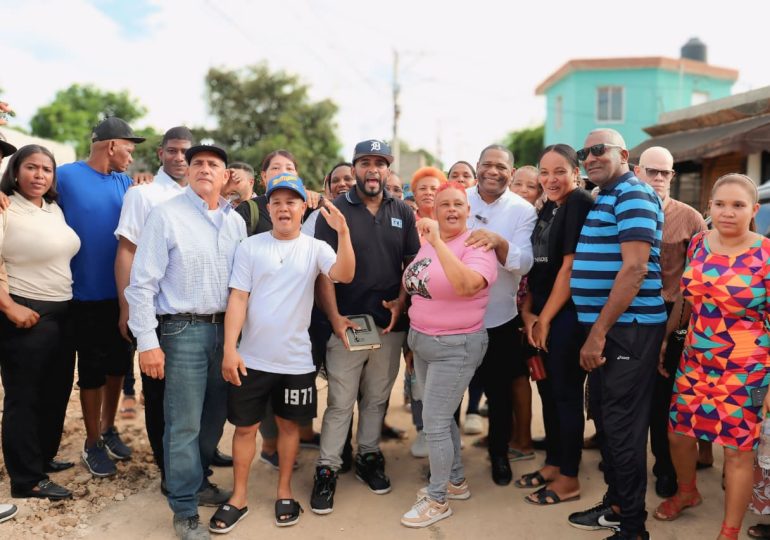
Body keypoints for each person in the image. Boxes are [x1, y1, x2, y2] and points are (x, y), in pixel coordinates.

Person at [210, 174, 354, 532]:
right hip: (252, 358)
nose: (284, 208)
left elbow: (344, 275)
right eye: (277, 202)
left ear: (303, 207)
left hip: (295, 361)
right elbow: (238, 298)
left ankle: (284, 491)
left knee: (291, 427)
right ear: (268, 207)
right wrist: (231, 349)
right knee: (245, 430)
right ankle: (238, 497)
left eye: (292, 201)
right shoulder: (251, 246)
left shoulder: (315, 247)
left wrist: (344, 232)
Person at [126, 144, 243, 539]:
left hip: (225, 331)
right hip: (181, 331)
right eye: (198, 164)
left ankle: (198, 481)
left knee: (214, 418)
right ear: (189, 172)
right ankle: (184, 509)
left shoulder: (235, 222)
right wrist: (147, 341)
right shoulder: (166, 215)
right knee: (183, 424)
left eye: (213, 164)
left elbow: (242, 287)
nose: (205, 169)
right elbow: (141, 284)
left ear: (226, 175)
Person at [653, 173, 770, 540]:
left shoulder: (766, 253)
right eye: (720, 204)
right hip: (696, 358)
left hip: (746, 365)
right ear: (709, 206)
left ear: (753, 210)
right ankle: (688, 491)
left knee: (736, 451)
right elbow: (688, 299)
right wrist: (670, 336)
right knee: (678, 435)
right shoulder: (700, 244)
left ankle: (729, 531)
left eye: (738, 205)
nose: (728, 212)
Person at [310, 139, 420, 514]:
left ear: (388, 169)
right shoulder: (334, 210)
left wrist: (401, 302)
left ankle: (369, 456)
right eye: (365, 162)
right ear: (354, 167)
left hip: (389, 325)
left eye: (380, 163)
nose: (373, 170)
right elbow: (323, 273)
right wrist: (334, 316)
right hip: (347, 324)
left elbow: (410, 265)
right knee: (340, 401)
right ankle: (327, 468)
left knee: (375, 399)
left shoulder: (402, 211)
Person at [567, 129, 665, 540]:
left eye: (598, 150)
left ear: (623, 154)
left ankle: (632, 529)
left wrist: (598, 333)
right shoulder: (607, 194)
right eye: (583, 152)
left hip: (629, 328)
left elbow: (636, 269)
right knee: (609, 421)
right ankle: (618, 505)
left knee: (623, 427)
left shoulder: (634, 194)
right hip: (612, 328)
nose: (589, 157)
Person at [399, 182, 498, 527]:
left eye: (458, 204)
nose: (452, 210)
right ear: (434, 210)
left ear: (468, 210)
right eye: (445, 205)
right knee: (440, 417)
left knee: (435, 424)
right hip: (424, 341)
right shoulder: (427, 242)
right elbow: (417, 284)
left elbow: (467, 286)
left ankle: (438, 499)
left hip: (455, 345)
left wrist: (439, 242)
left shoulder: (476, 245)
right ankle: (455, 481)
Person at [56, 117, 145, 477]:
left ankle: (108, 429)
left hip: (123, 297)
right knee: (90, 372)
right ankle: (92, 441)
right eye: (129, 148)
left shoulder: (128, 184)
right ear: (111, 145)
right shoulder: (65, 175)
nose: (131, 156)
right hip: (82, 296)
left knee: (118, 367)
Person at [0, 143, 80, 501]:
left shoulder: (53, 210)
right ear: (16, 171)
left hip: (62, 309)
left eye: (46, 170)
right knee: (24, 396)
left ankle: (42, 459)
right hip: (25, 309)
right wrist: (7, 305)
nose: (39, 175)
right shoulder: (5, 208)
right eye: (31, 168)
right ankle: (26, 478)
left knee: (56, 390)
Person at [517, 144, 593, 504]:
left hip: (568, 317)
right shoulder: (548, 207)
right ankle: (553, 462)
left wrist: (545, 319)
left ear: (576, 172)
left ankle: (570, 477)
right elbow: (538, 269)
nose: (550, 179)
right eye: (544, 172)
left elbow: (569, 266)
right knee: (546, 391)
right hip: (542, 314)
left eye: (559, 171)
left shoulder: (578, 203)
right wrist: (529, 313)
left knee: (565, 394)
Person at [634, 146, 707, 498]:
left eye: (666, 173)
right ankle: (624, 463)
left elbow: (697, 280)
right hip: (629, 313)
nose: (659, 178)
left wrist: (676, 329)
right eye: (652, 171)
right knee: (629, 394)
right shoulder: (625, 212)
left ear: (673, 176)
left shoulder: (691, 219)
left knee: (664, 398)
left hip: (672, 316)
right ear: (637, 172)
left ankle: (664, 469)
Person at [466, 144, 536, 486]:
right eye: (487, 165)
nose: (493, 172)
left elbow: (523, 263)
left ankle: (499, 454)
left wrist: (497, 241)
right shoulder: (458, 199)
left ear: (512, 171)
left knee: (499, 394)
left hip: (499, 317)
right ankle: (446, 458)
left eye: (501, 167)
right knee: (449, 392)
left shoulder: (523, 210)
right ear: (477, 166)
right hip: (455, 317)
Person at [302, 162, 355, 236]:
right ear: (329, 190)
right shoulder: (318, 216)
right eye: (335, 181)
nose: (341, 184)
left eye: (348, 179)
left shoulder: (372, 212)